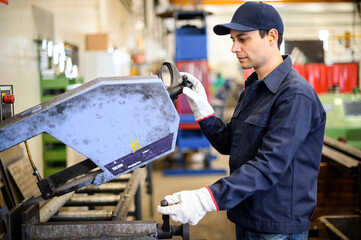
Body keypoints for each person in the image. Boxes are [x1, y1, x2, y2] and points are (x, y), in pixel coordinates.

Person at [157, 2, 326, 240]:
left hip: (274, 227)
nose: (234, 48)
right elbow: (229, 143)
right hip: (246, 214)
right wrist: (203, 110)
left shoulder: (295, 96)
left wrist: (206, 198)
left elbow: (269, 166)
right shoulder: (254, 87)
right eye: (232, 40)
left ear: (271, 36)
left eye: (243, 39)